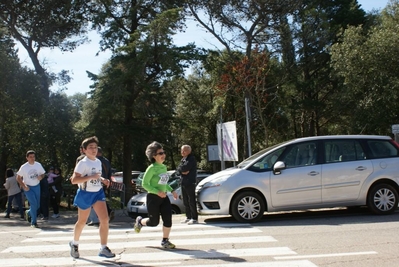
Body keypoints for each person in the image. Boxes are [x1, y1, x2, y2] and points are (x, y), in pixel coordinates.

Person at [69, 136, 115, 259]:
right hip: (85, 193)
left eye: (95, 147)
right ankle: (74, 244)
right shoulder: (82, 163)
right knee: (82, 221)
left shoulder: (98, 161)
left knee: (105, 219)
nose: (93, 150)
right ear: (84, 150)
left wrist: (103, 180)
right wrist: (91, 177)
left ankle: (103, 248)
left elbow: (96, 176)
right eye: (90, 147)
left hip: (98, 192)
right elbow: (74, 180)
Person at [134, 141, 178, 249]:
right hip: (153, 198)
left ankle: (165, 241)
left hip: (164, 198)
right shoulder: (151, 168)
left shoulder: (163, 167)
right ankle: (140, 221)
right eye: (160, 153)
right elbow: (144, 184)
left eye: (163, 152)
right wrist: (157, 192)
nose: (163, 155)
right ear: (154, 156)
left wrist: (172, 190)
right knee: (154, 222)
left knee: (168, 219)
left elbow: (164, 182)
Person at [16, 150, 46, 228]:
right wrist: (23, 185)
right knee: (33, 204)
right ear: (27, 158)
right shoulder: (24, 167)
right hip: (28, 187)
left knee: (37, 205)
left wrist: (41, 177)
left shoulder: (38, 165)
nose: (32, 158)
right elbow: (18, 177)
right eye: (30, 157)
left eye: (33, 157)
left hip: (36, 186)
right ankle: (34, 222)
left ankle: (28, 212)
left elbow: (43, 174)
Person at [87, 147, 114, 226]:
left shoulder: (96, 161)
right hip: (105, 182)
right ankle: (107, 213)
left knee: (95, 200)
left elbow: (97, 173)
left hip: (97, 182)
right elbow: (109, 172)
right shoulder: (106, 161)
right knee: (101, 198)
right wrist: (108, 181)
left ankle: (101, 216)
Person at [177, 145, 198, 224]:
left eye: (184, 150)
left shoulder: (191, 159)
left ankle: (194, 218)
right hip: (183, 182)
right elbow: (178, 169)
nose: (182, 152)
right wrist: (181, 171)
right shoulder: (183, 159)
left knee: (191, 200)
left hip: (190, 182)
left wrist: (182, 170)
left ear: (189, 151)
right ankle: (188, 216)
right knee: (185, 201)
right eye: (182, 150)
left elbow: (185, 168)